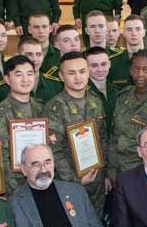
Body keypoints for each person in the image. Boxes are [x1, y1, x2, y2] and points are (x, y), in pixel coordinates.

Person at [44, 52, 112, 216]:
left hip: (97, 179)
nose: (78, 77)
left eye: (82, 71)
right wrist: (75, 180)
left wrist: (106, 173)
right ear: (61, 76)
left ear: (88, 72)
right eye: (71, 73)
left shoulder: (95, 101)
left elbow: (103, 138)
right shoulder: (55, 108)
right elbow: (55, 150)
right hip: (71, 183)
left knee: (97, 223)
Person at [108, 50, 147, 180]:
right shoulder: (123, 96)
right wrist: (111, 171)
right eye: (136, 69)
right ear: (130, 71)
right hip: (119, 169)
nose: (140, 74)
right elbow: (115, 136)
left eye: (146, 70)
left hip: (142, 172)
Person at [0, 55, 43, 193]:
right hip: (18, 185)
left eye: (30, 74)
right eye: (19, 74)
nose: (25, 79)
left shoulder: (40, 107)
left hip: (42, 178)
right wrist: (16, 191)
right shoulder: (1, 114)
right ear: (7, 79)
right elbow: (1, 159)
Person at [84, 10, 131, 89]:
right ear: (87, 31)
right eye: (92, 27)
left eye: (101, 26)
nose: (97, 30)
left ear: (106, 29)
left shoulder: (122, 56)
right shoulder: (80, 57)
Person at [86, 46, 118, 120]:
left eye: (103, 64)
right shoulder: (81, 93)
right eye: (94, 66)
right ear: (86, 67)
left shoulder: (117, 91)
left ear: (109, 64)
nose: (100, 70)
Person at [26, 11, 60, 76]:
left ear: (50, 29)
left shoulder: (59, 55)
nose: (41, 31)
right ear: (29, 29)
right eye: (36, 27)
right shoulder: (23, 56)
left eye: (44, 27)